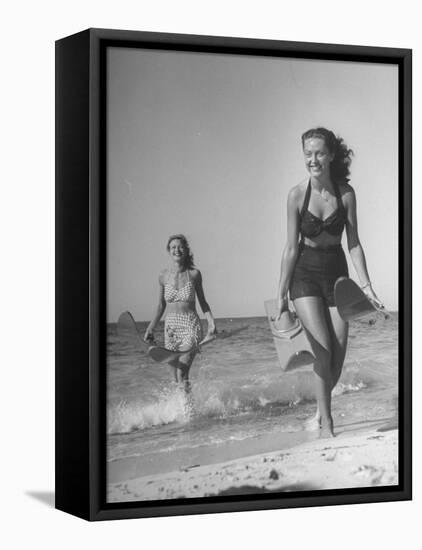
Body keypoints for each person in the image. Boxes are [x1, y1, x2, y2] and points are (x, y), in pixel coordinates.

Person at [277, 127, 383, 437]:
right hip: (305, 275)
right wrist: (281, 294)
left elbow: (354, 243)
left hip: (338, 276)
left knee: (336, 362)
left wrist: (366, 286)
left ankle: (317, 413)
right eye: (308, 154)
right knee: (322, 353)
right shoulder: (296, 195)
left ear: (331, 155)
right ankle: (327, 423)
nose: (313, 159)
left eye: (319, 153)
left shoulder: (345, 193)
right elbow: (291, 247)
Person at [144, 234, 216, 392]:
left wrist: (211, 322)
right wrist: (151, 328)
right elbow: (160, 305)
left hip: (190, 326)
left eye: (180, 247)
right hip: (171, 329)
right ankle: (183, 411)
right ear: (169, 251)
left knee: (182, 373)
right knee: (175, 379)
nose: (177, 250)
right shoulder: (163, 276)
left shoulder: (194, 274)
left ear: (186, 250)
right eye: (173, 247)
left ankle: (189, 415)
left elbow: (203, 301)